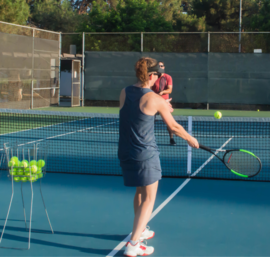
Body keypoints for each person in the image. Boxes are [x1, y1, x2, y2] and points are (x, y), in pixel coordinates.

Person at [118, 57, 199, 257]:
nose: (158, 79)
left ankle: (141, 228)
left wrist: (162, 107)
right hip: (145, 154)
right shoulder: (155, 99)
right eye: (158, 76)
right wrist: (190, 138)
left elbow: (137, 112)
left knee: (139, 191)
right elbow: (173, 126)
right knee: (149, 198)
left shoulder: (124, 92)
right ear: (152, 75)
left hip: (125, 152)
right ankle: (134, 243)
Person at [152, 61, 176, 145]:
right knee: (149, 121)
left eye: (162, 65)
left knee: (169, 122)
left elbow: (170, 90)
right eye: (159, 66)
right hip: (154, 102)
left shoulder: (168, 77)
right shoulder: (153, 77)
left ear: (164, 67)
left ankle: (171, 138)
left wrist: (162, 92)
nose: (160, 67)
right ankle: (148, 138)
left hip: (164, 102)